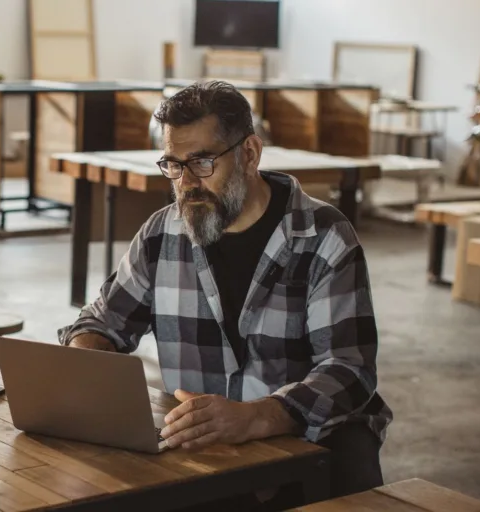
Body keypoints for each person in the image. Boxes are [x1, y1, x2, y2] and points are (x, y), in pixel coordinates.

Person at [57, 81, 392, 507]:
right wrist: (85, 358)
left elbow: (349, 369)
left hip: (317, 443)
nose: (186, 184)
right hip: (206, 444)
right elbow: (102, 321)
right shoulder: (162, 233)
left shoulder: (324, 236)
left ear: (249, 153)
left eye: (201, 162)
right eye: (173, 165)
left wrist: (256, 416)